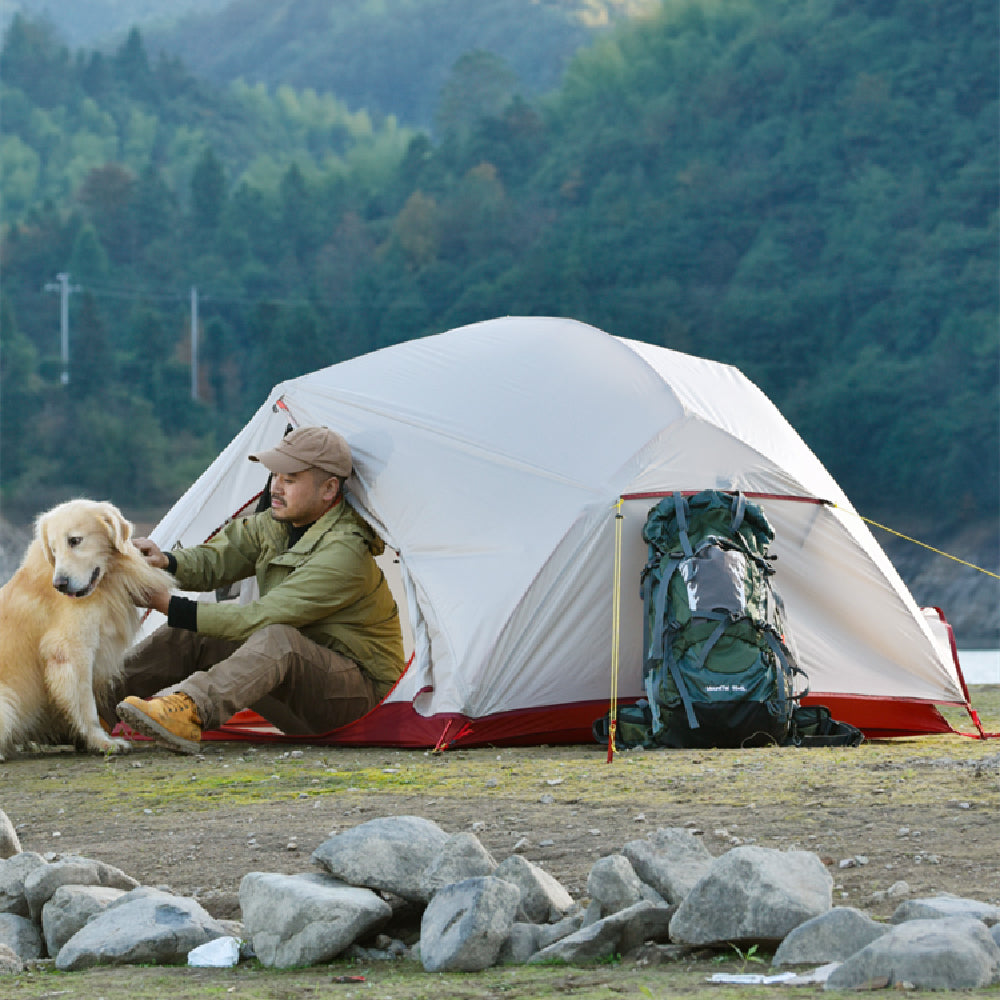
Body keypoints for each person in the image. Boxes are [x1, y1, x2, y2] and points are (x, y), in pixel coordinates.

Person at [112, 426, 405, 753]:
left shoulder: (344, 553)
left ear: (328, 489)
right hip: (299, 697)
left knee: (277, 638)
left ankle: (189, 712)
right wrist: (166, 562)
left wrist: (168, 604)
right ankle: (86, 708)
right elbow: (218, 560)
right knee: (195, 632)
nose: (275, 488)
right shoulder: (277, 525)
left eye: (290, 480)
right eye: (274, 476)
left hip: (359, 707)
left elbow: (258, 618)